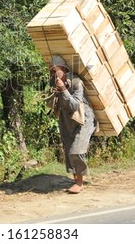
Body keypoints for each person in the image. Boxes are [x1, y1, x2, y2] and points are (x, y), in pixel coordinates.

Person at [47, 55, 97, 194]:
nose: (53, 74)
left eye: (55, 70)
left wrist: (63, 90)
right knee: (69, 149)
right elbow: (51, 103)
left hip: (83, 119)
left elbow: (75, 104)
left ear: (63, 69)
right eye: (51, 71)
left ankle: (79, 183)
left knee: (76, 150)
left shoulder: (76, 82)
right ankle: (76, 179)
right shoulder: (53, 83)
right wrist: (54, 92)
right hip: (66, 120)